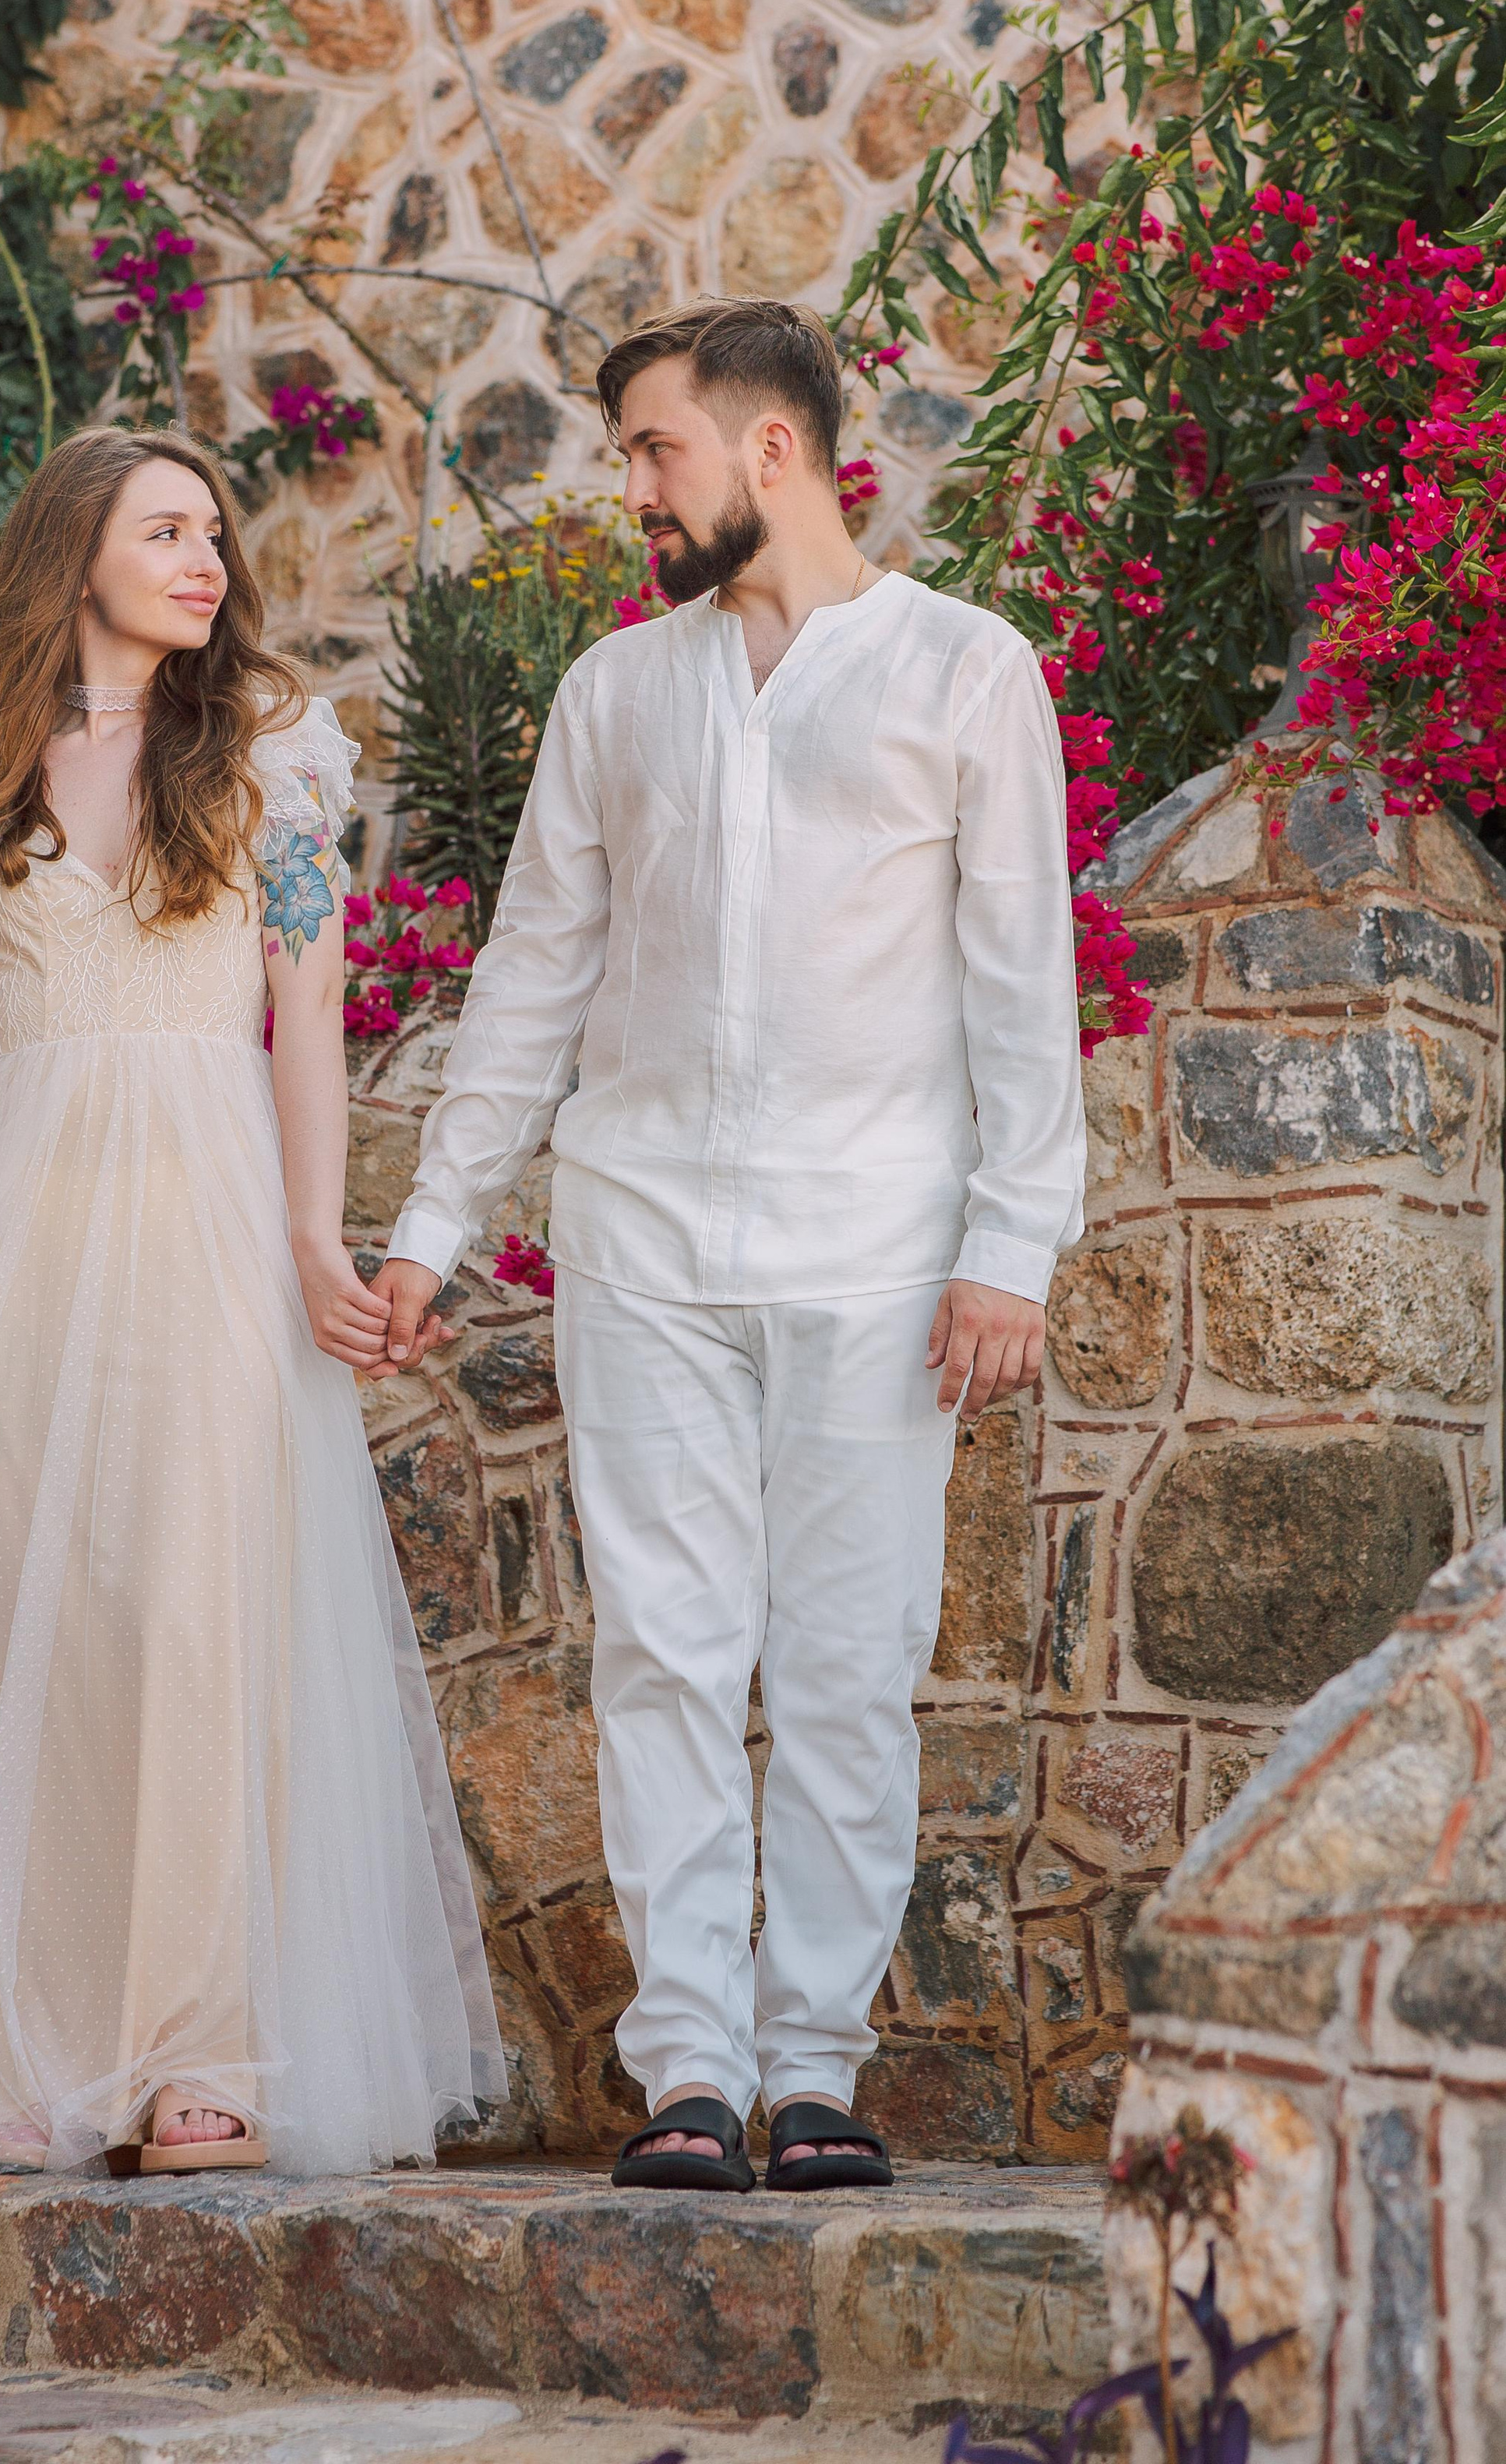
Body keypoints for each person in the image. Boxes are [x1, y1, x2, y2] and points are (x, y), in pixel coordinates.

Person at [0, 425, 503, 2177]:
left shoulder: (273, 769)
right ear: (77, 559)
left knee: (195, 1612)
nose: (205, 558)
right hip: (16, 1229)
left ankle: (203, 2051)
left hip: (206, 1220)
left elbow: (306, 1019)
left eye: (213, 529)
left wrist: (310, 1240)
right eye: (165, 530)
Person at [374, 299, 1084, 2194]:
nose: (632, 490)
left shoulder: (961, 671)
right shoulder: (618, 693)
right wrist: (434, 1223)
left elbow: (1020, 980)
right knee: (665, 1660)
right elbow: (531, 977)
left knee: (848, 1665)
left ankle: (814, 2069)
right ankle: (687, 2065)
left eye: (650, 450)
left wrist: (1011, 1242)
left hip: (877, 1249)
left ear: (769, 450)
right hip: (641, 1242)